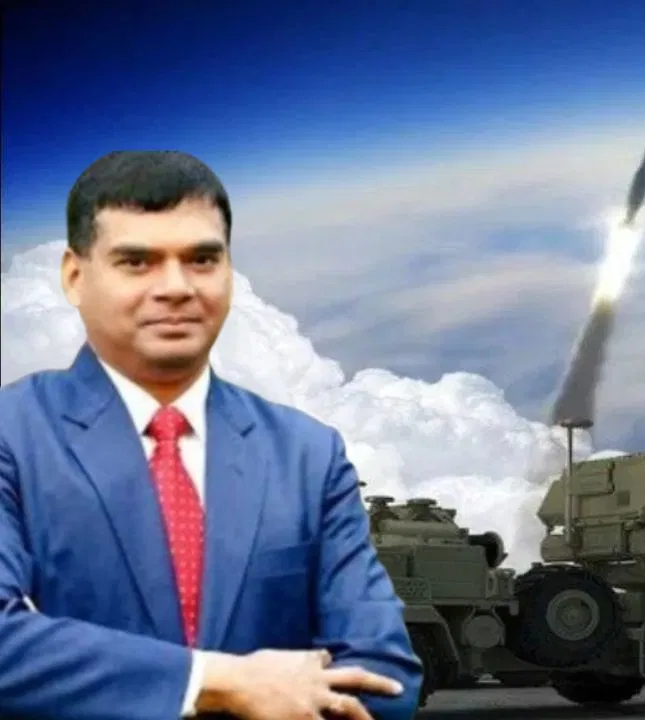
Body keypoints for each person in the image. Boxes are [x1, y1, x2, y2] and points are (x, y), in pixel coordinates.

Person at [0, 151, 423, 720]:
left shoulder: (307, 455)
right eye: (137, 262)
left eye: (201, 259)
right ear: (75, 277)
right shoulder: (16, 435)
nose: (176, 287)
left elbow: (385, 677)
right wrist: (215, 683)